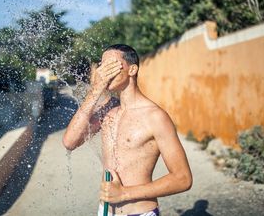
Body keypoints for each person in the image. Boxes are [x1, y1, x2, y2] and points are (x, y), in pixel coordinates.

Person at [63, 44, 192, 216]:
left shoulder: (155, 117)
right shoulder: (108, 111)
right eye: (102, 66)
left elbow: (182, 178)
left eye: (112, 65)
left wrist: (124, 193)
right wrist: (95, 90)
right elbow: (70, 142)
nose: (105, 72)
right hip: (106, 211)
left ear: (132, 70)